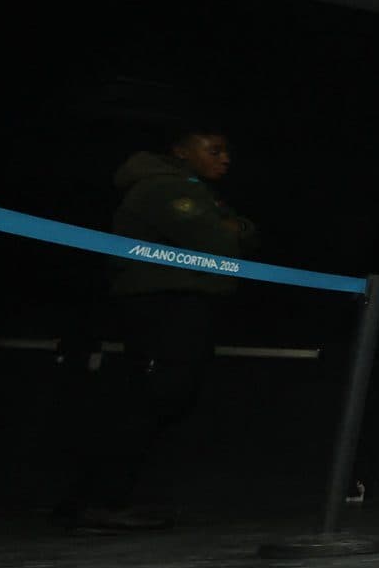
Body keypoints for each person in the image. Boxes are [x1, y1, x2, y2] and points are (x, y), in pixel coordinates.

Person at [61, 126, 251, 531]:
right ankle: (97, 501)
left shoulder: (194, 188)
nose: (225, 159)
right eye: (214, 149)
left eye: (226, 151)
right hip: (163, 306)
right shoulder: (163, 189)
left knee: (164, 397)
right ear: (181, 152)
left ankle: (106, 497)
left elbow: (244, 231)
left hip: (183, 305)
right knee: (151, 397)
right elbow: (220, 240)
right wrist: (228, 228)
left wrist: (231, 228)